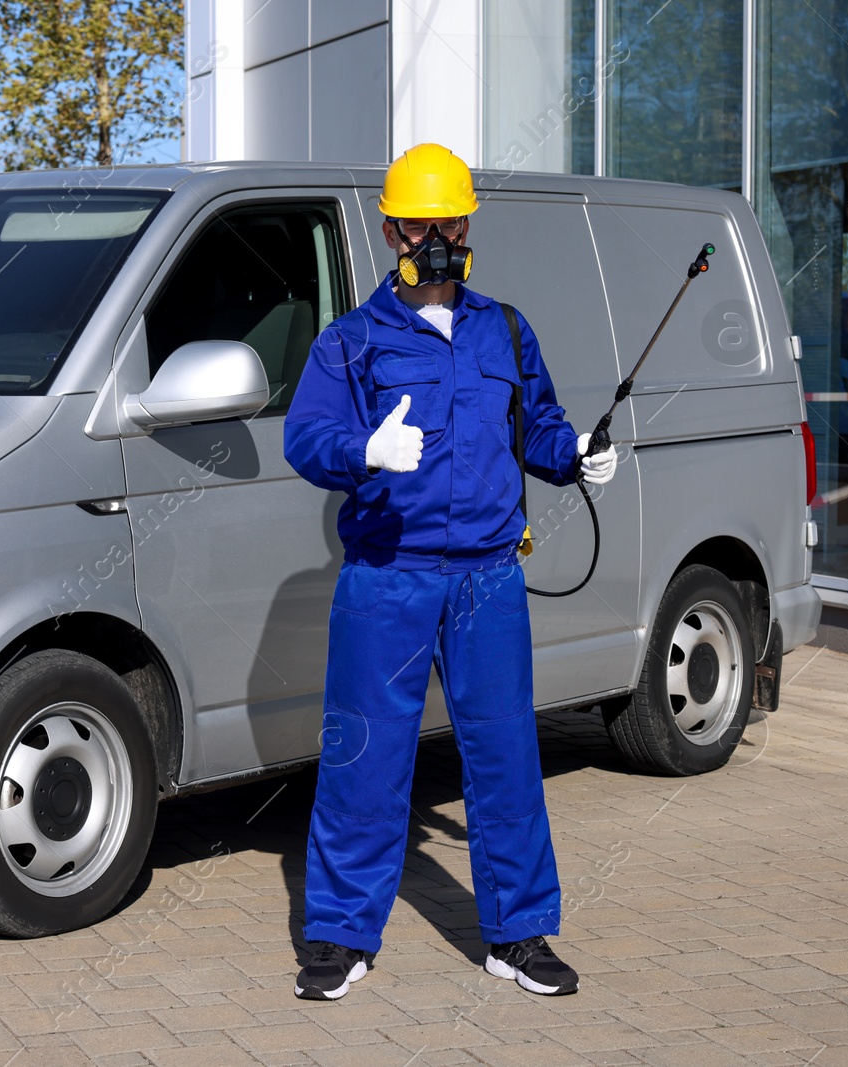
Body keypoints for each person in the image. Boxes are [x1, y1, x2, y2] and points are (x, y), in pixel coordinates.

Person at [282, 143, 617, 1002]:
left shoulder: (504, 326)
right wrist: (363, 449)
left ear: (469, 224)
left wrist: (573, 452)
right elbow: (305, 439)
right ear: (390, 228)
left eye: (453, 220)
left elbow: (535, 425)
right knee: (364, 755)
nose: (438, 236)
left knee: (506, 756)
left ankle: (520, 934)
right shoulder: (351, 340)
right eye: (422, 222)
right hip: (387, 573)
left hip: (488, 578)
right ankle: (341, 933)